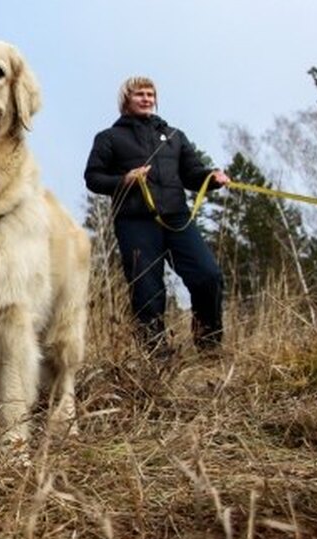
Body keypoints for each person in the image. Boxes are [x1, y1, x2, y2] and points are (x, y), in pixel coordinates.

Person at [84, 76, 230, 354]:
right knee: (147, 291)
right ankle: (156, 356)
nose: (146, 98)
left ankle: (209, 345)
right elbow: (93, 178)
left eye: (150, 94)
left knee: (208, 275)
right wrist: (124, 179)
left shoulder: (174, 136)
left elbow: (193, 174)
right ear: (126, 99)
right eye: (139, 94)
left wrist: (212, 177)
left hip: (177, 219)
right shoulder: (109, 138)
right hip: (135, 222)